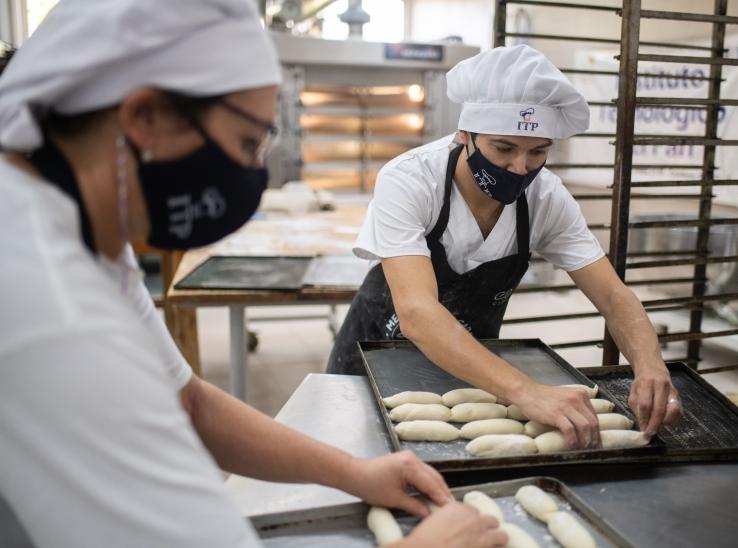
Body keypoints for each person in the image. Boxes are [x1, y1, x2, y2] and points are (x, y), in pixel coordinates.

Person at [0, 2, 508, 547]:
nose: (252, 174)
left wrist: (354, 471)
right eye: (247, 144)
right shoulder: (43, 295)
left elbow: (189, 402)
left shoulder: (75, 222)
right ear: (145, 116)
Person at [328, 45, 683, 450]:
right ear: (466, 135)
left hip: (473, 368)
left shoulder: (547, 199)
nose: (520, 168)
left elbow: (612, 295)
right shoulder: (411, 180)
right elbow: (418, 313)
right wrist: (526, 391)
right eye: (503, 148)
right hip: (371, 357)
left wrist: (650, 365)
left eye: (537, 152)